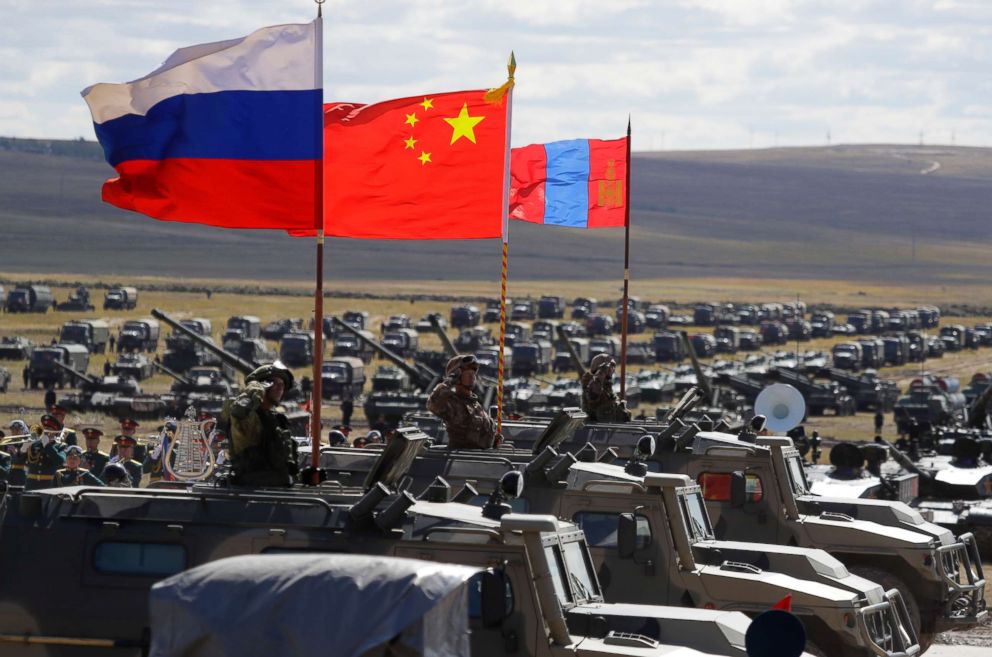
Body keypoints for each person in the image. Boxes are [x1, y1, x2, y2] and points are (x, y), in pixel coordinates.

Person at [223, 363, 298, 487]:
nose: (280, 388)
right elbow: (238, 413)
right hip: (253, 493)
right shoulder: (249, 417)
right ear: (262, 386)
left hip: (279, 491)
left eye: (282, 385)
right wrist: (252, 392)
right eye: (275, 383)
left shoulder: (276, 419)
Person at [427, 355, 501, 449]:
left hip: (479, 458)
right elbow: (432, 404)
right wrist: (449, 381)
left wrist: (493, 440)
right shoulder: (452, 404)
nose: (472, 377)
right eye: (468, 374)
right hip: (462, 460)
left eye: (473, 373)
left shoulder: (475, 405)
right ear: (457, 377)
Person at [580, 354, 632, 423]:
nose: (612, 370)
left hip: (608, 428)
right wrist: (600, 377)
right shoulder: (593, 384)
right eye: (609, 367)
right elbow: (594, 397)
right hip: (598, 430)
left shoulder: (606, 387)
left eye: (612, 367)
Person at [24, 418, 66, 491]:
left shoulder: (60, 446)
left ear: (55, 432)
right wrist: (23, 449)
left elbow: (60, 461)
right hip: (31, 484)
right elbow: (25, 462)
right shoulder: (35, 444)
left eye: (49, 428)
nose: (45, 431)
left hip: (48, 485)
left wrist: (47, 445)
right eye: (45, 428)